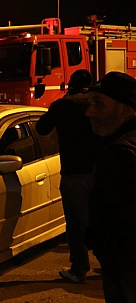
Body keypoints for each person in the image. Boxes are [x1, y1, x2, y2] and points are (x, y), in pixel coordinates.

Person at [36, 70, 103, 284]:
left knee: (76, 223)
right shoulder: (100, 104)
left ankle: (79, 269)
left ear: (71, 85)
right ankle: (111, 265)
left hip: (74, 173)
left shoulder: (63, 105)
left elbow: (42, 128)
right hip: (101, 170)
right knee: (105, 219)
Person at [83, 71, 136, 302]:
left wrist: (100, 246)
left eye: (98, 104)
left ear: (125, 109)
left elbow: (121, 224)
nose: (89, 112)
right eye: (89, 104)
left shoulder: (119, 154)